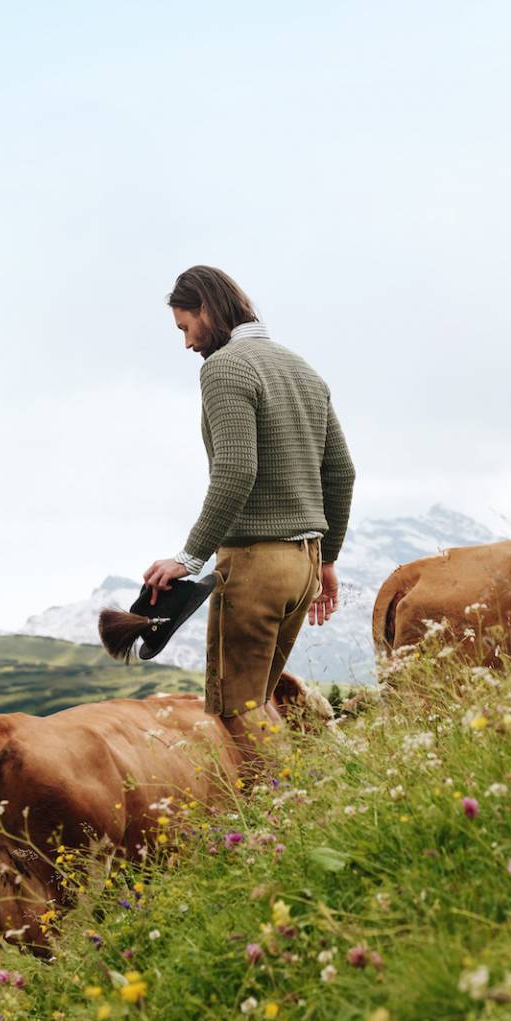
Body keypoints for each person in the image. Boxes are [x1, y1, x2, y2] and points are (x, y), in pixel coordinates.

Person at [142, 266, 355, 760]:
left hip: (256, 564)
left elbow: (237, 470)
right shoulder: (302, 368)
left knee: (235, 707)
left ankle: (291, 800)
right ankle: (294, 794)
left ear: (206, 309)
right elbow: (342, 472)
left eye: (185, 327)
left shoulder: (225, 368)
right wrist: (326, 559)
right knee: (258, 701)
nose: (187, 343)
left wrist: (189, 558)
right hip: (303, 565)